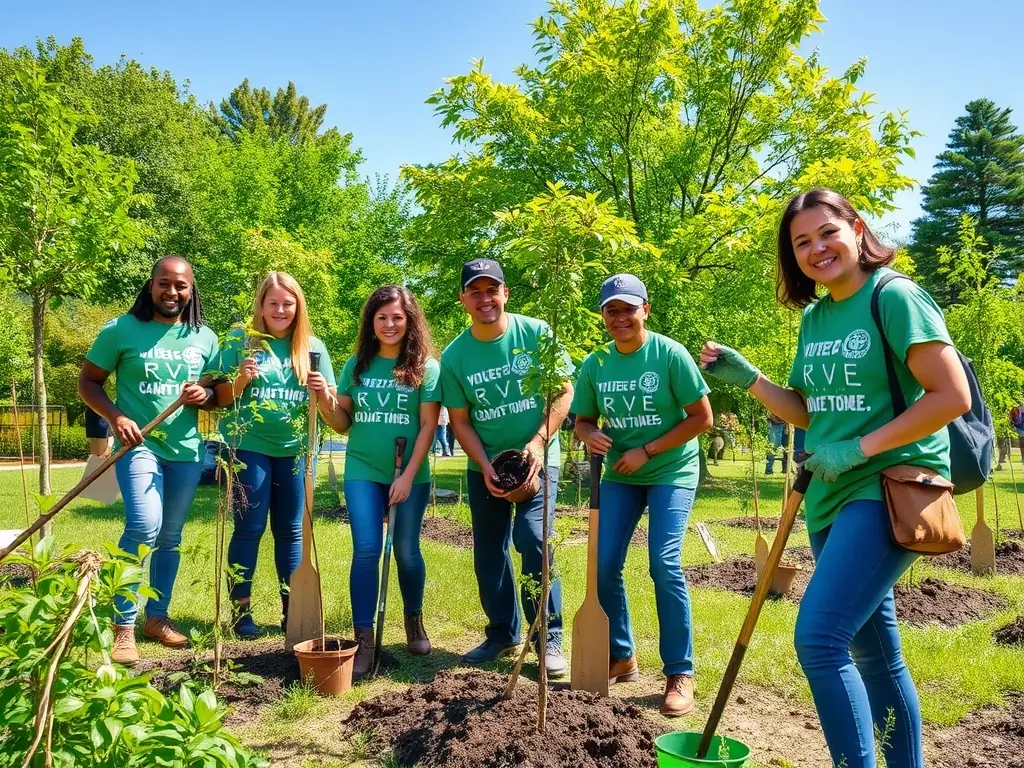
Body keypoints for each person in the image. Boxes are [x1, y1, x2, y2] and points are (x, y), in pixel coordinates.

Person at [701, 188, 971, 768]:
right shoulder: (817, 316)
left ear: (855, 227)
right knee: (876, 655)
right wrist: (749, 378)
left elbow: (951, 395)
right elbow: (809, 411)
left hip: (888, 488)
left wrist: (860, 447)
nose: (817, 248)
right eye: (801, 242)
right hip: (830, 495)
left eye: (827, 232)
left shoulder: (894, 297)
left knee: (819, 640)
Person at [572, 273, 713, 716]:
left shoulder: (669, 354)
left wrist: (647, 450)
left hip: (670, 469)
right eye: (611, 311)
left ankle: (679, 671)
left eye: (628, 309)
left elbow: (701, 418)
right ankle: (622, 655)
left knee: (664, 563)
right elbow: (582, 421)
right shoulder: (595, 364)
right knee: (604, 561)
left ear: (645, 310)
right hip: (621, 476)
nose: (620, 318)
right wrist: (590, 434)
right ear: (603, 317)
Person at [78, 256, 221, 665]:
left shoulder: (204, 338)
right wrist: (117, 417)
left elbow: (219, 396)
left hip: (187, 451)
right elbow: (88, 382)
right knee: (144, 525)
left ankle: (156, 618)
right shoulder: (121, 329)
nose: (171, 292)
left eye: (180, 285)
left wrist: (205, 397)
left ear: (191, 290)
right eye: (164, 283)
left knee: (170, 537)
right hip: (138, 445)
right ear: (151, 285)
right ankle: (123, 624)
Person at [440, 258, 573, 677]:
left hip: (539, 459)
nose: (485, 299)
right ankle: (502, 632)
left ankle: (547, 636)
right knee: (488, 552)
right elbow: (460, 421)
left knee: (534, 538)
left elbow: (563, 391)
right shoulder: (455, 356)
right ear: (463, 298)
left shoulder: (536, 333)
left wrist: (537, 441)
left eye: (491, 289)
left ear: (505, 293)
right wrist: (484, 467)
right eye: (475, 291)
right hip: (487, 462)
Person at [317, 285, 440, 679]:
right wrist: (323, 399)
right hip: (362, 469)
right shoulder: (356, 364)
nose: (390, 324)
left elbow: (427, 427)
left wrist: (405, 477)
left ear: (410, 322)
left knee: (405, 551)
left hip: (410, 472)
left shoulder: (425, 367)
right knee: (367, 549)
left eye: (397, 318)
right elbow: (342, 422)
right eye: (382, 317)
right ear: (371, 321)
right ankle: (364, 639)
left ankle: (413, 620)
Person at [215, 272, 336, 638]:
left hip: (296, 450)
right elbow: (217, 400)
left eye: (288, 303)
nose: (281, 310)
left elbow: (331, 406)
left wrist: (322, 392)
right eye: (273, 304)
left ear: (298, 306)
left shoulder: (312, 347)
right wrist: (239, 380)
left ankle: (291, 610)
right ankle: (241, 612)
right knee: (249, 528)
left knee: (291, 530)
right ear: (261, 306)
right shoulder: (241, 341)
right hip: (249, 446)